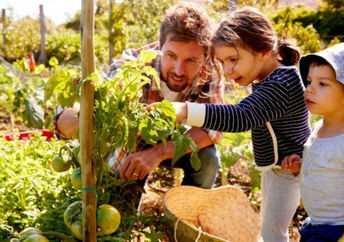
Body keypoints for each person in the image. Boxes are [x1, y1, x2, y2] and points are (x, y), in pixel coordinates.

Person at [170, 7, 311, 242]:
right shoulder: (271, 78)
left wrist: (185, 110)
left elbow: (240, 116)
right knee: (269, 225)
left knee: (272, 231)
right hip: (279, 167)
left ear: (264, 51)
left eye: (233, 60)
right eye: (222, 62)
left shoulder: (282, 84)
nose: (226, 71)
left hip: (290, 169)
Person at [54, 2, 223, 190]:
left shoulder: (210, 70)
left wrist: (157, 153)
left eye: (191, 60)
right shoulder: (133, 66)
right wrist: (80, 117)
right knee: (120, 203)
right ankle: (129, 197)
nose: (179, 70)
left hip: (172, 141)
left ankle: (183, 215)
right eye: (171, 56)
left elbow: (213, 129)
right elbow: (78, 117)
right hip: (133, 144)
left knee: (208, 158)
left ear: (204, 55)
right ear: (160, 46)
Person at [281, 43, 344, 242]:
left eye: (323, 84)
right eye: (309, 81)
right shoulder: (318, 128)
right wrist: (301, 166)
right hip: (315, 225)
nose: (310, 89)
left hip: (336, 231)